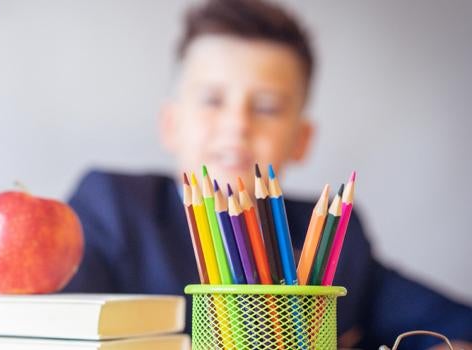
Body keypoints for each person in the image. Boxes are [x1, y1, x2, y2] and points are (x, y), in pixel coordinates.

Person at [62, 0, 472, 348]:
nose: (238, 124)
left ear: (302, 140)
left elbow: (456, 327)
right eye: (212, 99)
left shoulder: (331, 235)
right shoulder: (111, 206)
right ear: (171, 124)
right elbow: (50, 331)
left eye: (267, 107)